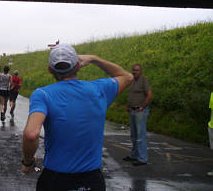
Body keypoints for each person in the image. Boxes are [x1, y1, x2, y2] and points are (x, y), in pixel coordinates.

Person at [21, 44, 133, 191]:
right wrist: (94, 59)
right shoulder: (100, 89)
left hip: (55, 179)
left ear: (50, 70)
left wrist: (28, 162)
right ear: (79, 66)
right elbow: (127, 76)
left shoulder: (42, 95)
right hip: (91, 180)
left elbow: (31, 134)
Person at [123, 64, 153, 166]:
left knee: (140, 135)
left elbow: (149, 95)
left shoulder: (144, 80)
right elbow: (131, 95)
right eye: (133, 70)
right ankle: (134, 155)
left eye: (137, 70)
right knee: (134, 135)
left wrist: (142, 107)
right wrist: (127, 105)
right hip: (132, 110)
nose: (134, 72)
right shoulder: (132, 81)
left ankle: (142, 158)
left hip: (140, 111)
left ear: (141, 71)